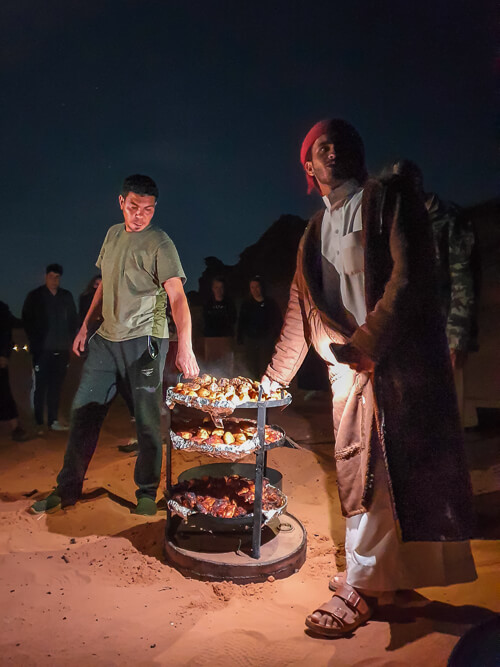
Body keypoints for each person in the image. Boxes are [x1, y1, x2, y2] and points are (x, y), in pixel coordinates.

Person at [262, 119, 476, 638]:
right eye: (319, 147)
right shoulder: (313, 232)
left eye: (339, 143)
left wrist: (369, 343)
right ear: (308, 168)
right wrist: (271, 384)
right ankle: (384, 574)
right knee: (362, 473)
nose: (330, 152)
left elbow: (411, 278)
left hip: (393, 366)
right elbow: (300, 312)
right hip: (346, 373)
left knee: (379, 476)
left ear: (355, 154)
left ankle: (363, 585)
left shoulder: (386, 201)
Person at [31, 174, 199, 516]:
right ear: (121, 202)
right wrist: (84, 327)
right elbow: (105, 284)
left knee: (147, 419)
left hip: (147, 341)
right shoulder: (111, 235)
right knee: (83, 413)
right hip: (106, 340)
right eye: (134, 207)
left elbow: (177, 297)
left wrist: (186, 346)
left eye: (148, 210)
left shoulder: (160, 243)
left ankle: (147, 492)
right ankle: (67, 488)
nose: (140, 215)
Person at [392, 159, 476, 424]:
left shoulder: (449, 218)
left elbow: (463, 276)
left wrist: (457, 336)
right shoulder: (403, 224)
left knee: (449, 409)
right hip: (413, 331)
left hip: (444, 328)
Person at [22, 264, 78, 432]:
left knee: (56, 387)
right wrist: (35, 340)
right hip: (42, 351)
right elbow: (27, 319)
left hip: (61, 350)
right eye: (52, 276)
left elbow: (73, 320)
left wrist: (70, 341)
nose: (55, 280)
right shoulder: (35, 296)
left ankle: (53, 420)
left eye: (57, 277)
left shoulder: (66, 296)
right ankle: (39, 422)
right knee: (40, 387)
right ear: (46, 277)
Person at [237, 276, 282, 379]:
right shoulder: (247, 304)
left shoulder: (270, 303)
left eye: (257, 287)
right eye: (252, 287)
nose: (255, 290)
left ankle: (264, 388)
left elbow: (278, 320)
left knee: (265, 365)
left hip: (266, 341)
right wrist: (240, 338)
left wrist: (276, 335)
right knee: (251, 366)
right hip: (251, 340)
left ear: (262, 287)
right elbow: (241, 322)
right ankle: (252, 388)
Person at [0, 301, 30, 441]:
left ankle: (15, 428)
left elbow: (7, 331)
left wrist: (4, 354)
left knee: (4, 392)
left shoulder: (1, 308)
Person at [202, 277, 237, 376]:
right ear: (213, 289)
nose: (219, 290)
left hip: (226, 338)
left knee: (227, 365)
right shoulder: (208, 303)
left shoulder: (229, 303)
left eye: (221, 287)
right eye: (216, 287)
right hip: (210, 339)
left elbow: (233, 319)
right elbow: (204, 320)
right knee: (210, 365)